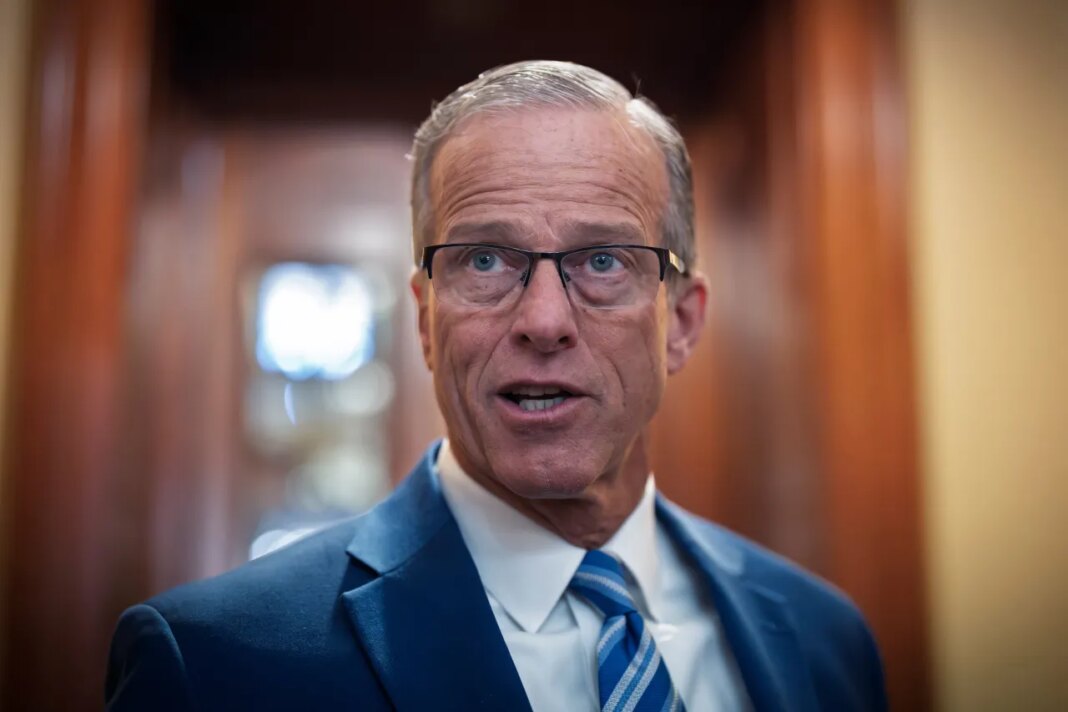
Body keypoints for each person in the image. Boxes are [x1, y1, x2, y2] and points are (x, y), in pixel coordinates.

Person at [105, 60, 887, 712]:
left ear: (680, 319)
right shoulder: (212, 666)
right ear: (423, 320)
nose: (543, 321)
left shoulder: (825, 641)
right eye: (484, 260)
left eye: (603, 260)